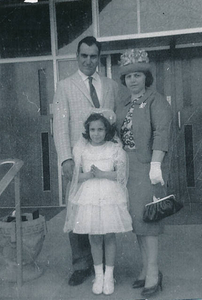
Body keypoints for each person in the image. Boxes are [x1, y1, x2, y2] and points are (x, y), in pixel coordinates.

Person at [53, 36, 119, 286]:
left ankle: (104, 265)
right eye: (84, 55)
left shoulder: (110, 85)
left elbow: (114, 124)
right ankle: (81, 264)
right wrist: (66, 159)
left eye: (93, 56)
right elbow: (60, 125)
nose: (88, 60)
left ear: (99, 58)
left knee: (103, 207)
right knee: (79, 209)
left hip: (105, 158)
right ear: (77, 56)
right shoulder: (65, 85)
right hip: (79, 158)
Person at [116, 49, 172, 297]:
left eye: (137, 75)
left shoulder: (156, 100)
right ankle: (145, 268)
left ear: (145, 77)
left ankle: (153, 271)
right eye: (129, 76)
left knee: (148, 219)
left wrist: (155, 165)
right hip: (127, 168)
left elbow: (161, 133)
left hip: (148, 167)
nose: (133, 80)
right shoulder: (125, 103)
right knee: (136, 221)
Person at [63, 109, 132, 295]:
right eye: (92, 129)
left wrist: (102, 174)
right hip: (89, 197)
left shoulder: (114, 147)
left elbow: (122, 174)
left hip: (109, 196)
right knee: (94, 237)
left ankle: (109, 275)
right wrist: (88, 175)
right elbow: (75, 176)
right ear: (87, 130)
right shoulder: (82, 149)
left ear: (107, 130)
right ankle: (98, 275)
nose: (96, 133)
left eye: (100, 129)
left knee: (109, 236)